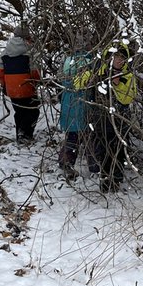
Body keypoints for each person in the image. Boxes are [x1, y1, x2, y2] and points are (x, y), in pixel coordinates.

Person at [93, 43, 136, 193]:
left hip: (120, 119)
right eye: (115, 57)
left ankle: (116, 179)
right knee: (103, 149)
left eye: (121, 58)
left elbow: (128, 99)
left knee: (118, 150)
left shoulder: (128, 77)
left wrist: (118, 85)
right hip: (101, 118)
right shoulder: (99, 73)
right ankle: (105, 180)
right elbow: (82, 85)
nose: (118, 61)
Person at [57, 34, 94, 181]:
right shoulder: (89, 62)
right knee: (90, 137)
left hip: (68, 103)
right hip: (83, 105)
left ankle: (65, 161)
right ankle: (95, 168)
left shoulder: (68, 60)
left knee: (73, 136)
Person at [0, 26, 41, 144]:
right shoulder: (30, 51)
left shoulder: (5, 51)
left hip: (11, 88)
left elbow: (1, 71)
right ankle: (26, 134)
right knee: (33, 110)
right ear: (26, 37)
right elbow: (34, 71)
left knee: (19, 111)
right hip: (26, 86)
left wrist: (4, 86)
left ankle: (20, 135)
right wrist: (35, 83)